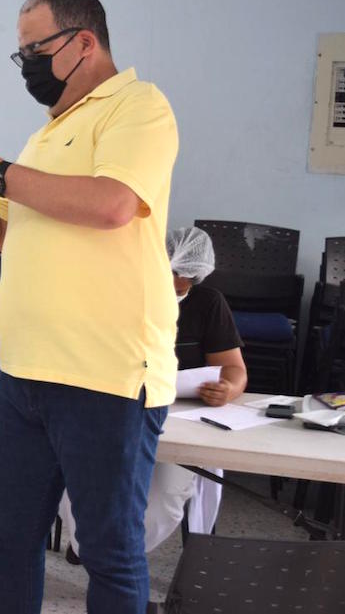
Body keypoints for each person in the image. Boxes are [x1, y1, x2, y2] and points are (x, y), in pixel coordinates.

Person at [0, 0, 179, 614]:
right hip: (27, 373)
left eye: (35, 48)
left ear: (84, 42)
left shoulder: (138, 108)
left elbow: (114, 204)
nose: (27, 64)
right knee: (9, 537)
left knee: (109, 551)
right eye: (22, 52)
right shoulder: (50, 132)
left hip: (105, 375)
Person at [59, 226, 248, 559]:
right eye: (174, 274)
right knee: (83, 481)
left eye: (191, 277)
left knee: (166, 496)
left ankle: (118, 560)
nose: (181, 284)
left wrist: (227, 389)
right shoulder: (120, 293)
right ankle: (90, 548)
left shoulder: (207, 304)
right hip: (113, 408)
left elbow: (234, 369)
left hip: (181, 418)